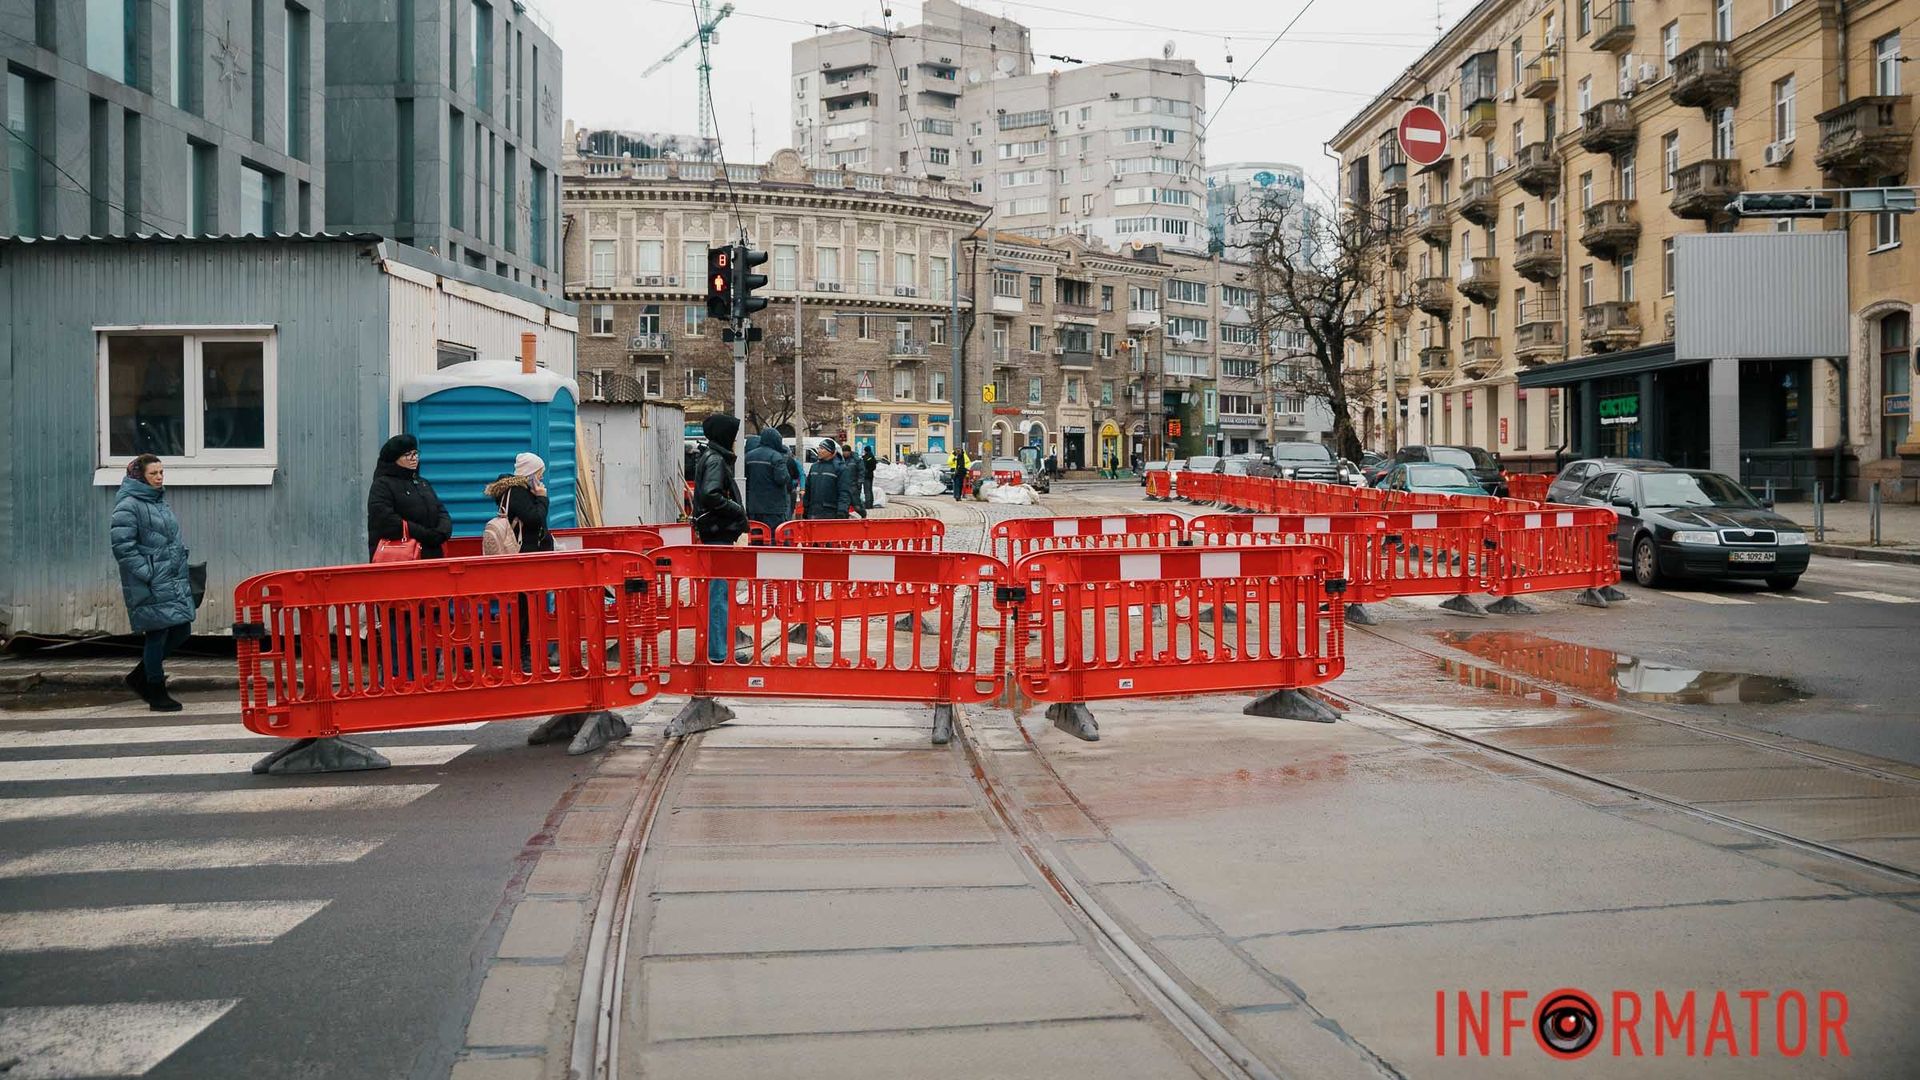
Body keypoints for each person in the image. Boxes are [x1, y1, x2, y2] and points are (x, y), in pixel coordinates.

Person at [112, 455, 195, 712]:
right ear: (140, 476)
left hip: (170, 577)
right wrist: (147, 572)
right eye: (153, 473)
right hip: (150, 581)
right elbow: (123, 547)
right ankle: (155, 690)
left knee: (182, 629)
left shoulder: (158, 501)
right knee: (157, 633)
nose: (159, 477)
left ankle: (140, 676)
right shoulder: (129, 505)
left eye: (161, 472)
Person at [692, 414, 750, 663]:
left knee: (720, 594)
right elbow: (711, 494)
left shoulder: (711, 457)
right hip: (718, 534)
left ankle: (720, 650)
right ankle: (718, 653)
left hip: (716, 533)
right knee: (719, 596)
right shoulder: (716, 460)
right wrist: (736, 509)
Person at [367, 434, 453, 560]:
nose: (414, 458)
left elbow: (440, 509)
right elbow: (386, 520)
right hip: (401, 559)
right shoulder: (382, 485)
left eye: (415, 453)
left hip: (432, 554)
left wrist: (442, 531)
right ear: (394, 458)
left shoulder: (422, 483)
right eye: (408, 455)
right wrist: (425, 535)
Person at [483, 453, 553, 553]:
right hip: (526, 553)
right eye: (539, 474)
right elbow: (535, 519)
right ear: (530, 475)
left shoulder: (518, 490)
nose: (541, 477)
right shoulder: (517, 492)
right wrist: (542, 497)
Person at [745, 427, 797, 538]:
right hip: (774, 507)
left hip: (753, 506)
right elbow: (782, 478)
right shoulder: (776, 456)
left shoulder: (748, 456)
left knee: (756, 537)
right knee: (774, 538)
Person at [802, 437, 851, 519]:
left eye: (822, 448)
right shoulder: (814, 467)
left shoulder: (840, 468)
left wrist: (842, 511)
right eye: (819, 448)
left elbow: (844, 492)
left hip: (831, 513)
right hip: (813, 512)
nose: (819, 451)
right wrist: (806, 507)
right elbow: (808, 488)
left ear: (830, 451)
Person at [859, 445, 878, 510]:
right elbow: (874, 466)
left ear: (866, 450)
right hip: (871, 475)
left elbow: (863, 466)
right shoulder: (872, 457)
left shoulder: (866, 457)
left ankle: (868, 505)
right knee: (870, 490)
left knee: (866, 490)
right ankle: (871, 504)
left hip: (866, 476)